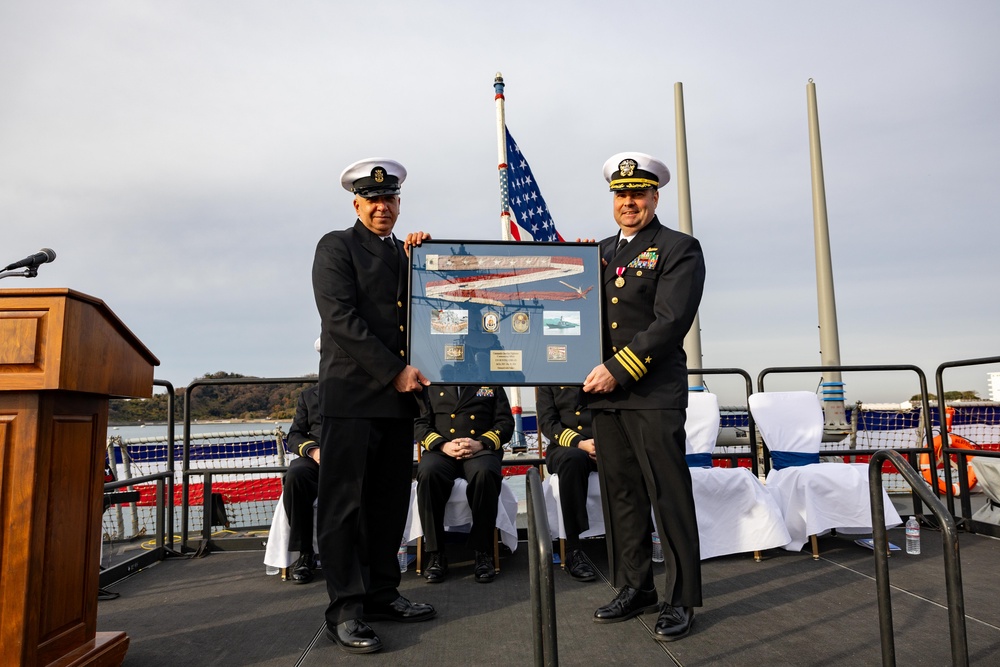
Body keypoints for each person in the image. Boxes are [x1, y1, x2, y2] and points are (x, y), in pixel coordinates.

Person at [582, 152, 706, 642]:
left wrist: (619, 369)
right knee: (622, 496)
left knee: (667, 496)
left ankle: (681, 599)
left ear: (655, 197)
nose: (628, 202)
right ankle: (635, 586)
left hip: (650, 391)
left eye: (637, 193)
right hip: (607, 399)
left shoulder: (679, 248)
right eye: (621, 194)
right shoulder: (600, 253)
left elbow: (671, 320)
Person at [312, 157, 434, 654]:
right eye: (374, 200)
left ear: (399, 204)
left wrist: (428, 257)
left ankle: (383, 593)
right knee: (344, 508)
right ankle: (346, 610)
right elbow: (341, 318)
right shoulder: (336, 247)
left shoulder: (405, 254)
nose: (383, 207)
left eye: (390, 199)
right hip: (354, 397)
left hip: (397, 401)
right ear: (357, 203)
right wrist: (395, 371)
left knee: (388, 507)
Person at [414, 385, 513, 584]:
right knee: (428, 473)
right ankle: (436, 553)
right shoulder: (431, 384)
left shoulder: (489, 381)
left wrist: (481, 442)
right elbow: (420, 424)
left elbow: (505, 422)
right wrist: (443, 445)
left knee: (485, 474)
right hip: (442, 450)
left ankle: (483, 551)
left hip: (479, 449)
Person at [535, 385, 598, 582]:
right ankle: (573, 549)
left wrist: (604, 443)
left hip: (602, 442)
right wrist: (580, 442)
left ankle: (633, 544)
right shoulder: (550, 380)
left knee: (629, 458)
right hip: (565, 447)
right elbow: (547, 422)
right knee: (573, 459)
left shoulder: (602, 371)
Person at [283, 378, 321, 584]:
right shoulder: (309, 396)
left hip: (352, 457)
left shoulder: (360, 390)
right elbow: (295, 435)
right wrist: (313, 450)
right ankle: (305, 553)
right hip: (318, 457)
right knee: (296, 475)